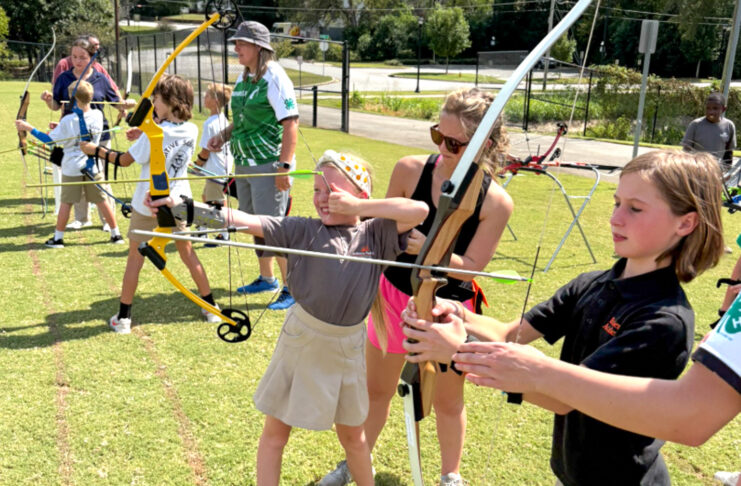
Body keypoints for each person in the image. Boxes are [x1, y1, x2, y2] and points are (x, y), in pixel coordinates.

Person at [401, 150, 726, 486]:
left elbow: (563, 399)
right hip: (571, 472)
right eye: (617, 203)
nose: (616, 218)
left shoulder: (663, 321)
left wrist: (459, 352)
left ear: (685, 223)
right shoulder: (592, 283)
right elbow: (511, 332)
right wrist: (453, 312)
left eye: (635, 208)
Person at [147, 150, 429, 486]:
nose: (323, 199)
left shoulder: (376, 234)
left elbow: (421, 210)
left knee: (354, 438)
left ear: (359, 195)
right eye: (317, 191)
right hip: (303, 340)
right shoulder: (300, 230)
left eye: (333, 191)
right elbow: (242, 220)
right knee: (275, 434)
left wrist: (358, 210)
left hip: (348, 348)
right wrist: (182, 209)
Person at [320, 88, 514, 486]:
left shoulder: (496, 201)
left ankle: (450, 476)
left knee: (446, 399)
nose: (442, 148)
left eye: (455, 143)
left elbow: (472, 269)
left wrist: (430, 251)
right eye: (436, 135)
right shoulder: (410, 169)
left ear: (484, 145)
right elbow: (379, 231)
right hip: (392, 294)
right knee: (377, 390)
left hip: (449, 309)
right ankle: (355, 463)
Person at [78, 74, 221, 333]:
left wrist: (95, 150)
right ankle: (211, 308)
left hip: (148, 205)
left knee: (135, 259)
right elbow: (163, 132)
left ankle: (123, 320)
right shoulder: (191, 129)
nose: (153, 101)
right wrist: (145, 129)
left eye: (157, 98)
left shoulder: (156, 134)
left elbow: (124, 160)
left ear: (171, 101)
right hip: (178, 203)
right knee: (188, 254)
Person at [206, 20, 299, 311]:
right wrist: (224, 134)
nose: (236, 48)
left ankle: (291, 288)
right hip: (244, 164)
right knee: (253, 225)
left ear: (259, 47)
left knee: (273, 227)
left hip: (268, 164)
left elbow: (290, 122)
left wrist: (283, 167)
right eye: (235, 43)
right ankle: (267, 278)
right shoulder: (244, 77)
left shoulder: (275, 77)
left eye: (241, 44)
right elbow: (243, 117)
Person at [14, 80, 124, 248]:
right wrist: (61, 128)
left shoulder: (68, 120)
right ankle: (116, 234)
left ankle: (58, 238)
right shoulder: (98, 115)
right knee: (102, 200)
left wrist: (28, 128)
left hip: (72, 167)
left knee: (66, 202)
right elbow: (81, 129)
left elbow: (49, 140)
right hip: (93, 166)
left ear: (74, 98)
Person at [43, 36, 132, 230]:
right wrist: (48, 100)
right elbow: (57, 104)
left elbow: (114, 102)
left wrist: (125, 105)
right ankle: (81, 218)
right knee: (75, 176)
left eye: (82, 57)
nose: (77, 61)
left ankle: (108, 222)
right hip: (72, 134)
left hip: (97, 136)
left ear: (92, 57)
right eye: (74, 57)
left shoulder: (100, 78)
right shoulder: (64, 78)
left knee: (98, 177)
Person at [194, 82, 234, 245]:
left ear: (216, 101)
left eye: (208, 96)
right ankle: (202, 231)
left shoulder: (210, 123)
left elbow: (205, 150)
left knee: (215, 203)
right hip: (220, 169)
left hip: (215, 170)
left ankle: (224, 234)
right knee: (207, 197)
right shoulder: (223, 121)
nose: (204, 98)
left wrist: (197, 164)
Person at [682, 91, 736, 170]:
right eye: (708, 108)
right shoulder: (696, 125)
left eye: (715, 108)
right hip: (696, 169)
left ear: (724, 109)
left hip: (716, 170)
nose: (711, 112)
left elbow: (728, 152)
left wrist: (727, 171)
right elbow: (686, 150)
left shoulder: (729, 126)